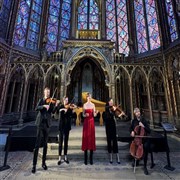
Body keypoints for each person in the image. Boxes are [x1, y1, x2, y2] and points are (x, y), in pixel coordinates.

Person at [32, 87, 58, 173]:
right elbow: (36, 108)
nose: (47, 93)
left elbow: (53, 111)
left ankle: (43, 163)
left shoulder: (51, 101)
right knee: (37, 145)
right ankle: (34, 165)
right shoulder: (41, 100)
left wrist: (56, 105)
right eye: (46, 92)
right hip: (40, 123)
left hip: (47, 124)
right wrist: (43, 106)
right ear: (44, 92)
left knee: (45, 144)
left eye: (49, 92)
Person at [130, 107, 154, 175]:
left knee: (145, 148)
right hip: (137, 139)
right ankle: (136, 160)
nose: (138, 113)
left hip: (144, 139)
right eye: (136, 112)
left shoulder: (144, 120)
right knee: (134, 146)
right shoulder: (134, 121)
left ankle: (145, 166)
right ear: (135, 114)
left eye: (139, 112)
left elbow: (149, 130)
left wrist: (143, 126)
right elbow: (131, 128)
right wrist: (132, 131)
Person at [56, 96, 75, 165]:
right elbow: (58, 114)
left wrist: (72, 111)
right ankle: (59, 157)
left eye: (67, 100)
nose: (66, 102)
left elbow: (72, 116)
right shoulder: (60, 106)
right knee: (60, 143)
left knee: (66, 142)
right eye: (65, 100)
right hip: (61, 126)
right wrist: (63, 111)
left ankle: (65, 157)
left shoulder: (69, 107)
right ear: (63, 100)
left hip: (67, 126)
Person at [82, 93, 98, 165]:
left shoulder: (93, 105)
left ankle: (91, 159)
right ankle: (85, 159)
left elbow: (94, 115)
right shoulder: (84, 105)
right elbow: (83, 114)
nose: (89, 98)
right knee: (86, 138)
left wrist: (96, 113)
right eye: (88, 97)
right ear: (86, 98)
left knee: (91, 139)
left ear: (91, 98)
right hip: (86, 122)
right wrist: (85, 115)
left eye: (90, 97)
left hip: (91, 122)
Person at [103, 98, 120, 164]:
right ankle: (110, 155)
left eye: (112, 102)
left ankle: (117, 155)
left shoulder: (113, 108)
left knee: (115, 140)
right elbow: (107, 117)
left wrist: (119, 114)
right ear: (108, 102)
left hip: (113, 126)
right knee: (109, 140)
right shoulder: (107, 108)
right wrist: (113, 111)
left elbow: (116, 116)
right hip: (108, 126)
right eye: (111, 102)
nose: (112, 103)